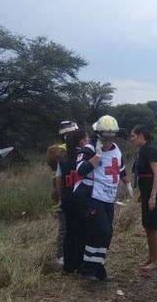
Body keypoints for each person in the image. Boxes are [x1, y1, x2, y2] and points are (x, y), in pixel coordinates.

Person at [75, 115, 131, 281]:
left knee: (107, 234)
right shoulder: (88, 149)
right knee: (100, 231)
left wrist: (128, 184)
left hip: (108, 198)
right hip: (91, 196)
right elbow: (80, 171)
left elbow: (121, 169)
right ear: (98, 134)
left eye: (111, 136)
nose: (108, 140)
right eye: (105, 137)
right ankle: (87, 270)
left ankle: (98, 269)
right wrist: (97, 156)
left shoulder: (116, 149)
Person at [130, 125, 157, 272]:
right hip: (145, 191)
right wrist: (142, 193)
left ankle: (156, 261)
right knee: (147, 225)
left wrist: (153, 196)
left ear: (141, 135)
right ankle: (151, 257)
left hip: (153, 192)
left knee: (153, 226)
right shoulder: (142, 151)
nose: (131, 139)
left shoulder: (151, 150)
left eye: (133, 136)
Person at [56, 124, 89, 275]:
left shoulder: (63, 158)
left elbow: (58, 179)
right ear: (80, 141)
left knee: (69, 232)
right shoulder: (83, 156)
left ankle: (68, 266)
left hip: (67, 198)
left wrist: (61, 196)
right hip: (80, 198)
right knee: (82, 232)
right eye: (85, 138)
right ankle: (80, 264)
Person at [47, 122, 76, 266]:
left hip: (68, 193)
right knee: (65, 227)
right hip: (66, 193)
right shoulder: (61, 151)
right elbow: (58, 177)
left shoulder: (64, 150)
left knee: (69, 227)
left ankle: (66, 254)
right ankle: (61, 255)